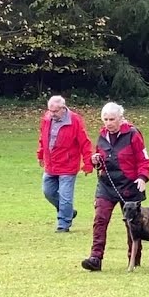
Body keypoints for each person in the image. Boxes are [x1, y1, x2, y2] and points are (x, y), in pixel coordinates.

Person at [81, 102, 149, 271]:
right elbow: (101, 157)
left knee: (132, 224)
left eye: (112, 119)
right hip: (106, 185)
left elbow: (144, 159)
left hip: (130, 185)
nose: (108, 122)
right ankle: (95, 258)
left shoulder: (133, 134)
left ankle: (134, 259)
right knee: (100, 219)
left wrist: (143, 177)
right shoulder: (102, 135)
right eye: (105, 119)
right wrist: (96, 160)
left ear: (121, 118)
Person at [36, 95, 94, 233]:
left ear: (63, 108)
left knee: (65, 196)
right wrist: (40, 154)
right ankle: (68, 211)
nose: (52, 114)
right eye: (50, 110)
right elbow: (43, 137)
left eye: (55, 111)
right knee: (48, 192)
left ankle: (63, 224)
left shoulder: (75, 120)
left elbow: (85, 143)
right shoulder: (47, 118)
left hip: (68, 166)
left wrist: (88, 163)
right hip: (51, 165)